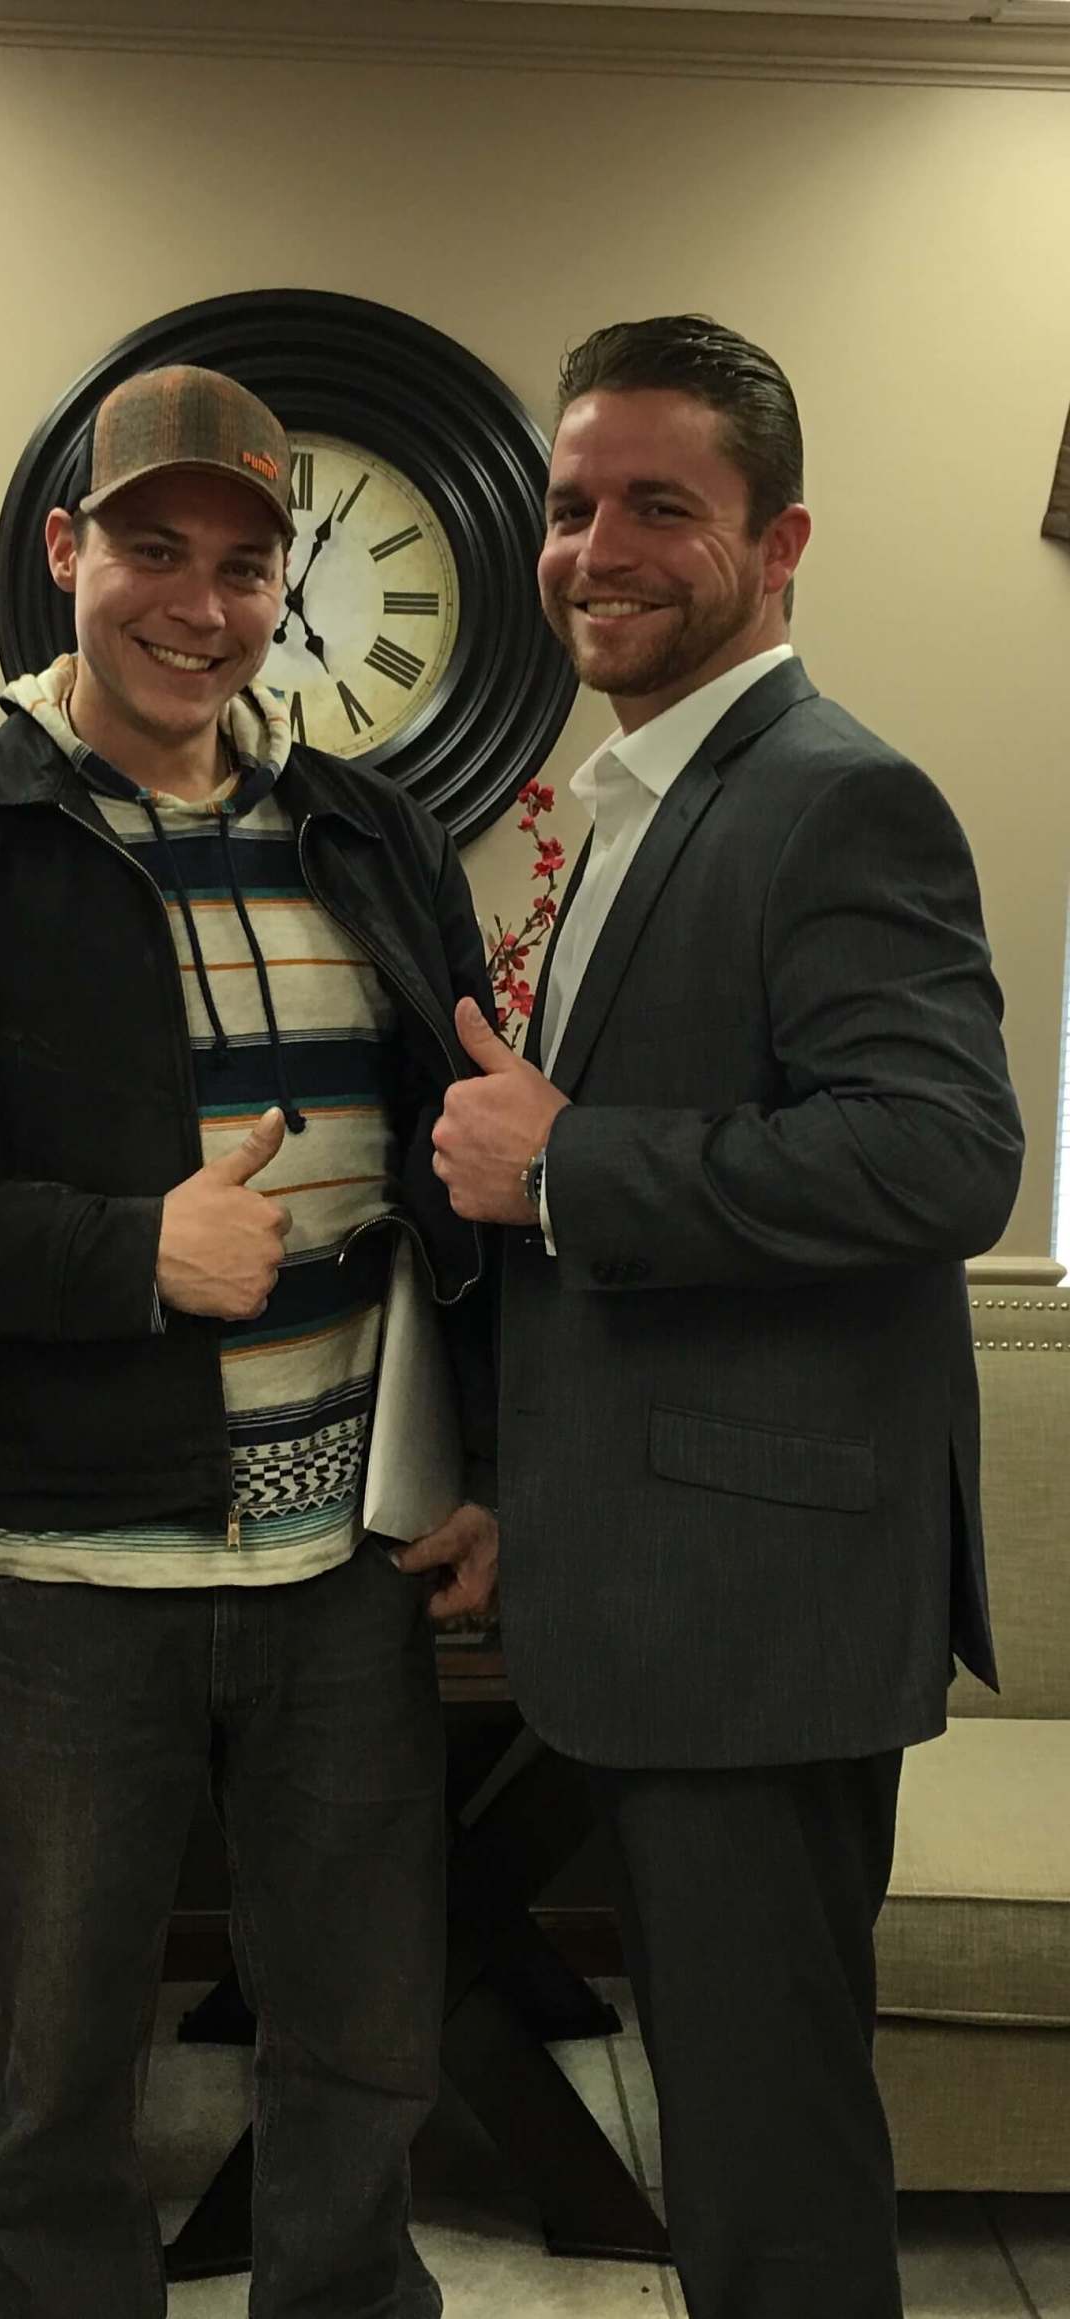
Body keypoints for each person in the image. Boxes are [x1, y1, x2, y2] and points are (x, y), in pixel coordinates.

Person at [0, 363, 497, 2319]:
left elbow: (447, 1171)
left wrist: (481, 1457)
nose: (202, 601)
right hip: (70, 1574)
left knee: (362, 2037)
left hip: (344, 1564)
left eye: (247, 565)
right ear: (69, 554)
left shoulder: (373, 834)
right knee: (65, 2064)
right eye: (154, 550)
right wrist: (129, 1251)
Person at [421, 312, 1024, 2319]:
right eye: (574, 505)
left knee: (765, 2148)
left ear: (778, 544)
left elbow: (944, 1157)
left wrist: (573, 1162)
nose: (598, 546)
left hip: (760, 1602)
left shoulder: (835, 795)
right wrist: (519, 1478)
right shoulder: (639, 794)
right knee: (730, 2114)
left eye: (659, 506)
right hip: (666, 1573)